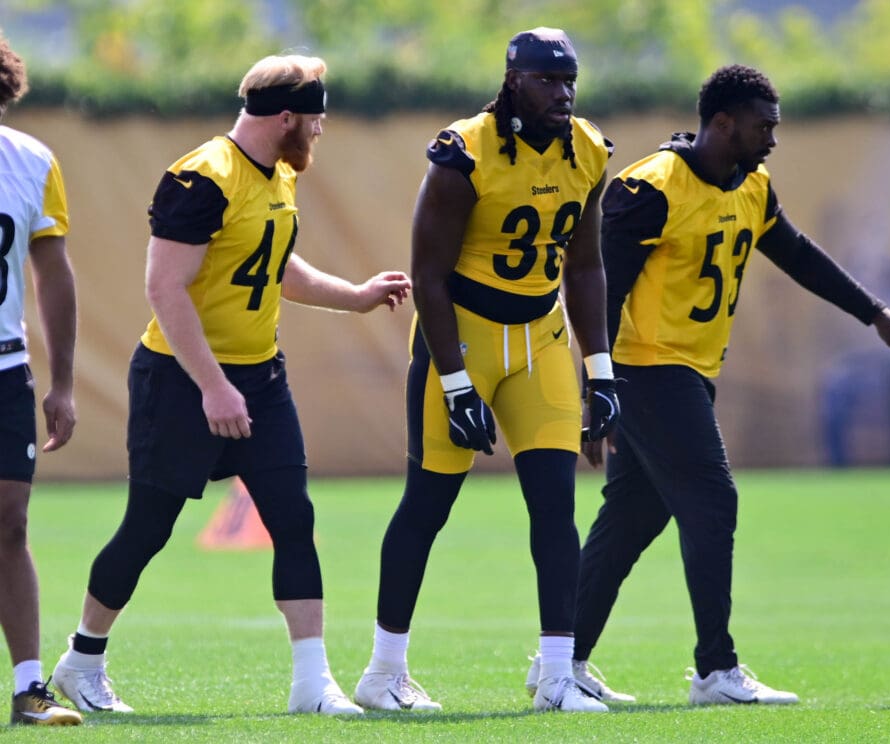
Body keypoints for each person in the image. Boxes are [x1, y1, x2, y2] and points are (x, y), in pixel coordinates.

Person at [525, 64, 890, 705]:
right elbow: (597, 293)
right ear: (722, 124)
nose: (773, 140)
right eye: (763, 127)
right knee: (713, 500)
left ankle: (562, 660)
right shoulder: (652, 187)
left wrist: (877, 314)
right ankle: (715, 670)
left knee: (632, 518)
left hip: (690, 371)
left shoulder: (751, 183)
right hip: (646, 370)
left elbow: (797, 253)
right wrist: (596, 390)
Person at [50, 54, 411, 717]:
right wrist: (214, 387)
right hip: (183, 380)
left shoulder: (275, 172)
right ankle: (81, 661)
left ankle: (312, 683)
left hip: (260, 378)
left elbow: (275, 264)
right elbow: (165, 288)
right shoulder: (203, 177)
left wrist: (354, 297)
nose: (321, 132)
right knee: (148, 529)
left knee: (293, 520)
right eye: (316, 121)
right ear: (285, 118)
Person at [353, 28, 618, 714]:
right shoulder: (464, 152)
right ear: (512, 81)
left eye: (569, 83)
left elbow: (586, 266)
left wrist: (602, 368)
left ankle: (557, 676)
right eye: (546, 82)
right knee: (427, 506)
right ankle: (383, 672)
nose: (561, 95)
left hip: (541, 338)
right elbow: (428, 276)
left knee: (555, 507)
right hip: (462, 337)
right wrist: (456, 381)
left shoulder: (588, 147)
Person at [0, 33, 83, 727]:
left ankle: (30, 688)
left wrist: (63, 382)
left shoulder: (31, 160)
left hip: (4, 366)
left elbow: (52, 270)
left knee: (10, 518)